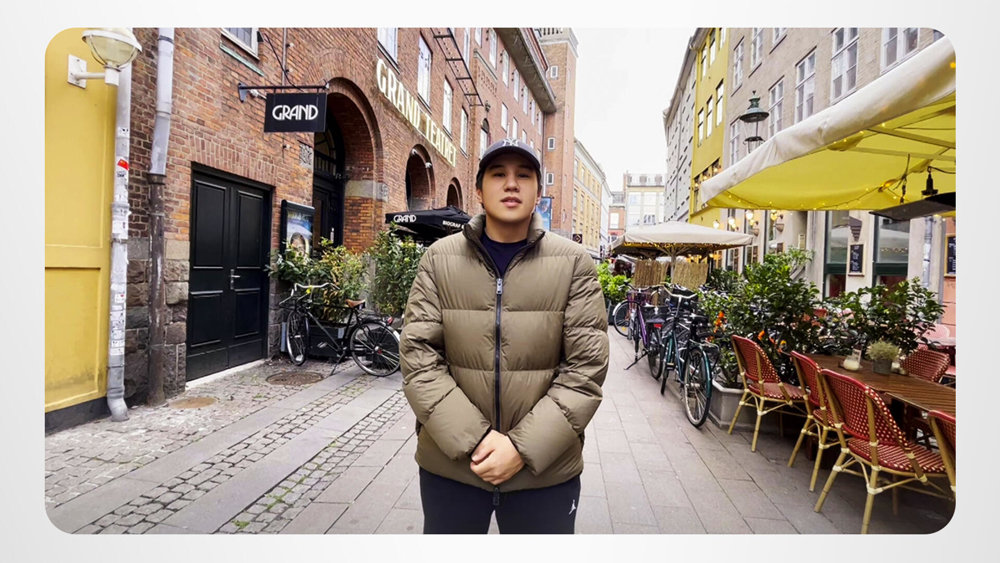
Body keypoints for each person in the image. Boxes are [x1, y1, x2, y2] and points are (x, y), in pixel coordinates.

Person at [399, 138, 610, 534]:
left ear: (538, 192)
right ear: (479, 191)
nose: (511, 184)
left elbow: (585, 370)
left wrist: (521, 447)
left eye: (523, 175)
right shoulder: (439, 260)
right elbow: (418, 358)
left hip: (544, 475)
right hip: (453, 469)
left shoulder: (574, 264)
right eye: (498, 174)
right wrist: (476, 439)